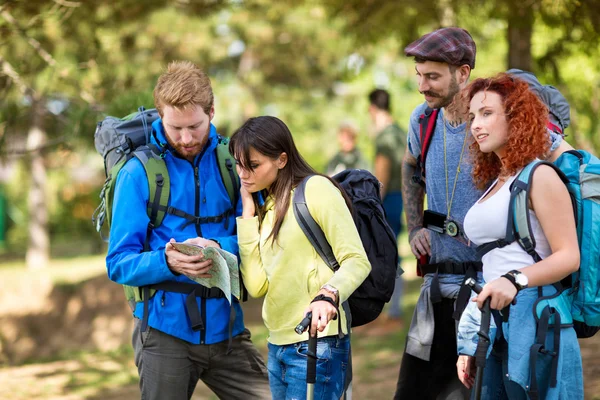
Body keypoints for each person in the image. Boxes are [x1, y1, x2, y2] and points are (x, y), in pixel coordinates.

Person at [105, 61, 270, 400]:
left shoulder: (233, 161)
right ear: (160, 116)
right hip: (164, 334)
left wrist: (216, 245)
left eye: (194, 126)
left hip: (227, 329)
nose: (185, 138)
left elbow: (262, 235)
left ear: (212, 111)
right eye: (174, 127)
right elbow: (118, 262)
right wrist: (168, 262)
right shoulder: (137, 174)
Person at [456, 73, 583, 399]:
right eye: (472, 116)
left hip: (539, 323)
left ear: (516, 117)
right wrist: (471, 338)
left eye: (486, 113)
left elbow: (569, 255)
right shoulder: (497, 182)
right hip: (494, 325)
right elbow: (492, 267)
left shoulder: (539, 175)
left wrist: (515, 281)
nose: (475, 125)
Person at [231, 116, 371, 399]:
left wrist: (328, 293)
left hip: (318, 343)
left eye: (253, 165)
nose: (243, 174)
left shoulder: (316, 190)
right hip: (277, 345)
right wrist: (247, 215)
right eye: (239, 165)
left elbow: (357, 260)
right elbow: (257, 285)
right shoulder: (267, 208)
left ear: (281, 159)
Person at [395, 27, 482, 400]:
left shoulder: (490, 119)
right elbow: (411, 168)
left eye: (432, 76)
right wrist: (415, 227)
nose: (422, 86)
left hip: (483, 292)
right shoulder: (422, 119)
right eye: (419, 75)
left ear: (462, 74)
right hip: (434, 289)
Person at [367, 88, 406, 322]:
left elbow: (381, 172)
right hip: (401, 196)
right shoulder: (400, 132)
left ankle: (391, 308)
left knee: (383, 253)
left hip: (387, 197)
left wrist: (373, 204)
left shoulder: (384, 136)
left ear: (372, 108)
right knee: (392, 250)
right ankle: (395, 306)